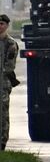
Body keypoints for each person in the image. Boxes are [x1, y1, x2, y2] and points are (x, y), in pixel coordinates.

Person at [0, 14, 18, 151]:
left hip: (3, 83)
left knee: (3, 113)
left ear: (6, 26)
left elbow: (9, 66)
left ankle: (2, 142)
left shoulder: (10, 43)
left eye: (2, 24)